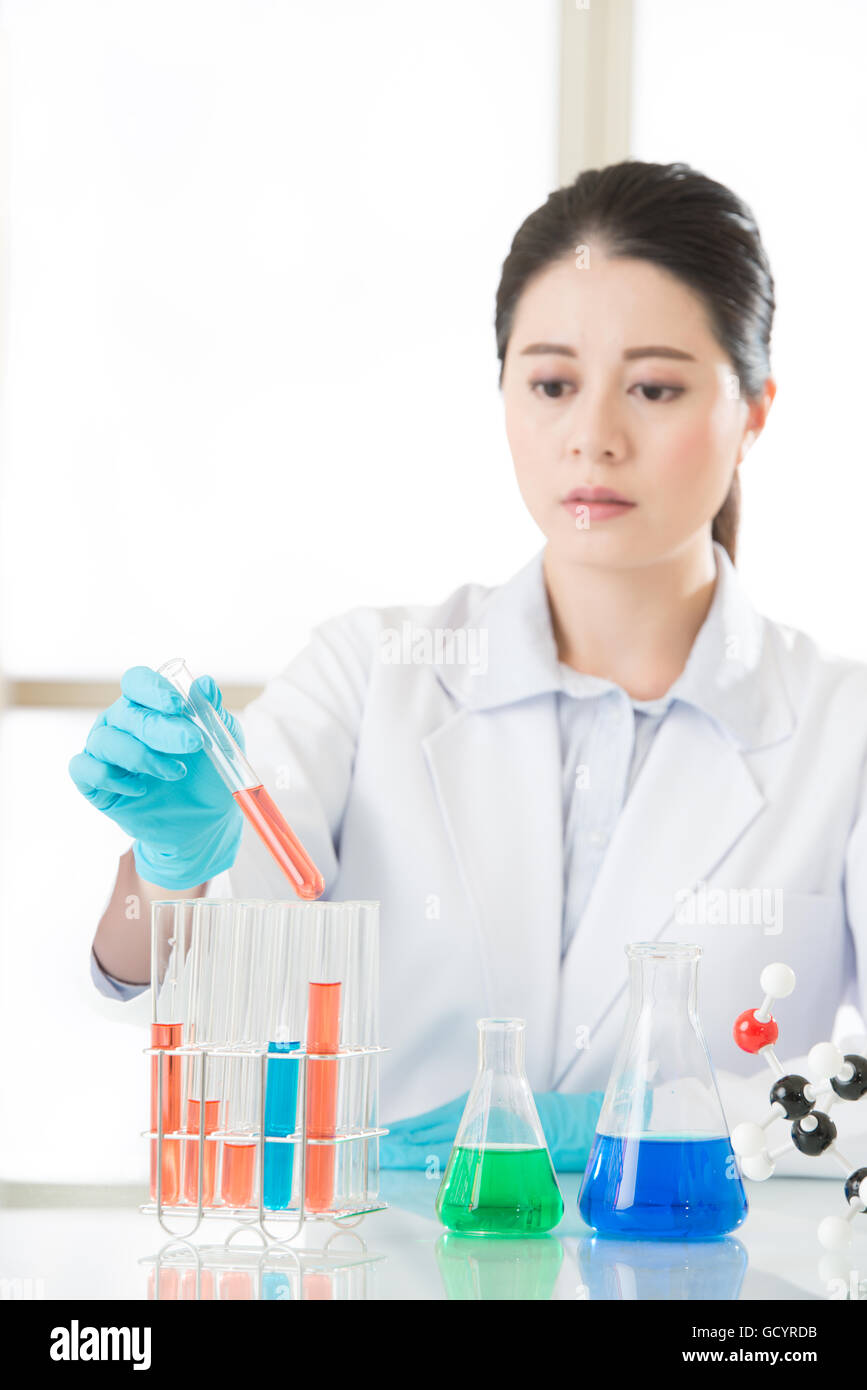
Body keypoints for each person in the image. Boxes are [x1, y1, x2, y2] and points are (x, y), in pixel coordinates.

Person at [70, 160, 867, 1175]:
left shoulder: (845, 730)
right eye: (551, 384)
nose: (594, 438)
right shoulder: (371, 675)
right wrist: (166, 872)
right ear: (503, 393)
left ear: (754, 409)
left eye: (656, 388)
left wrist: (643, 1126)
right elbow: (195, 991)